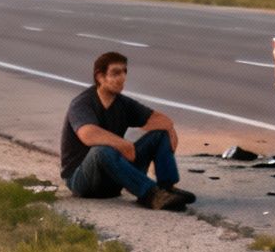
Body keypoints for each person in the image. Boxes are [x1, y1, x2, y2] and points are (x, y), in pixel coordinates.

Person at [61, 51, 195, 210]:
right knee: (101, 151)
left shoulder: (123, 103)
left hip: (113, 176)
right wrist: (123, 144)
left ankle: (166, 188)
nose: (122, 77)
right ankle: (151, 194)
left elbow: (161, 120)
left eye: (124, 72)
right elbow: (88, 134)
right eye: (116, 73)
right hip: (82, 180)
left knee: (160, 135)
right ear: (100, 77)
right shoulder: (82, 103)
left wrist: (169, 129)